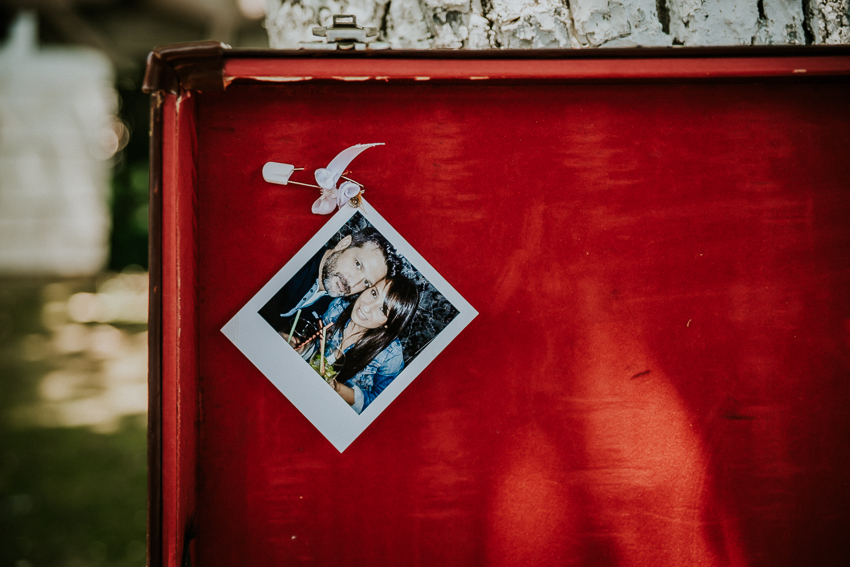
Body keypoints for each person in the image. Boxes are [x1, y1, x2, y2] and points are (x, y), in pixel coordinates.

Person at [258, 227, 401, 337]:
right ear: (343, 243)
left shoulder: (331, 306)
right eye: (358, 264)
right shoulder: (295, 258)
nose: (353, 283)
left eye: (366, 283)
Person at [315, 275, 419, 414]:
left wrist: (337, 389)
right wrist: (300, 345)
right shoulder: (338, 307)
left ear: (390, 323)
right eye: (374, 293)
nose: (367, 307)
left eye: (383, 309)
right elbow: (315, 340)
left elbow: (380, 406)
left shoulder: (390, 356)